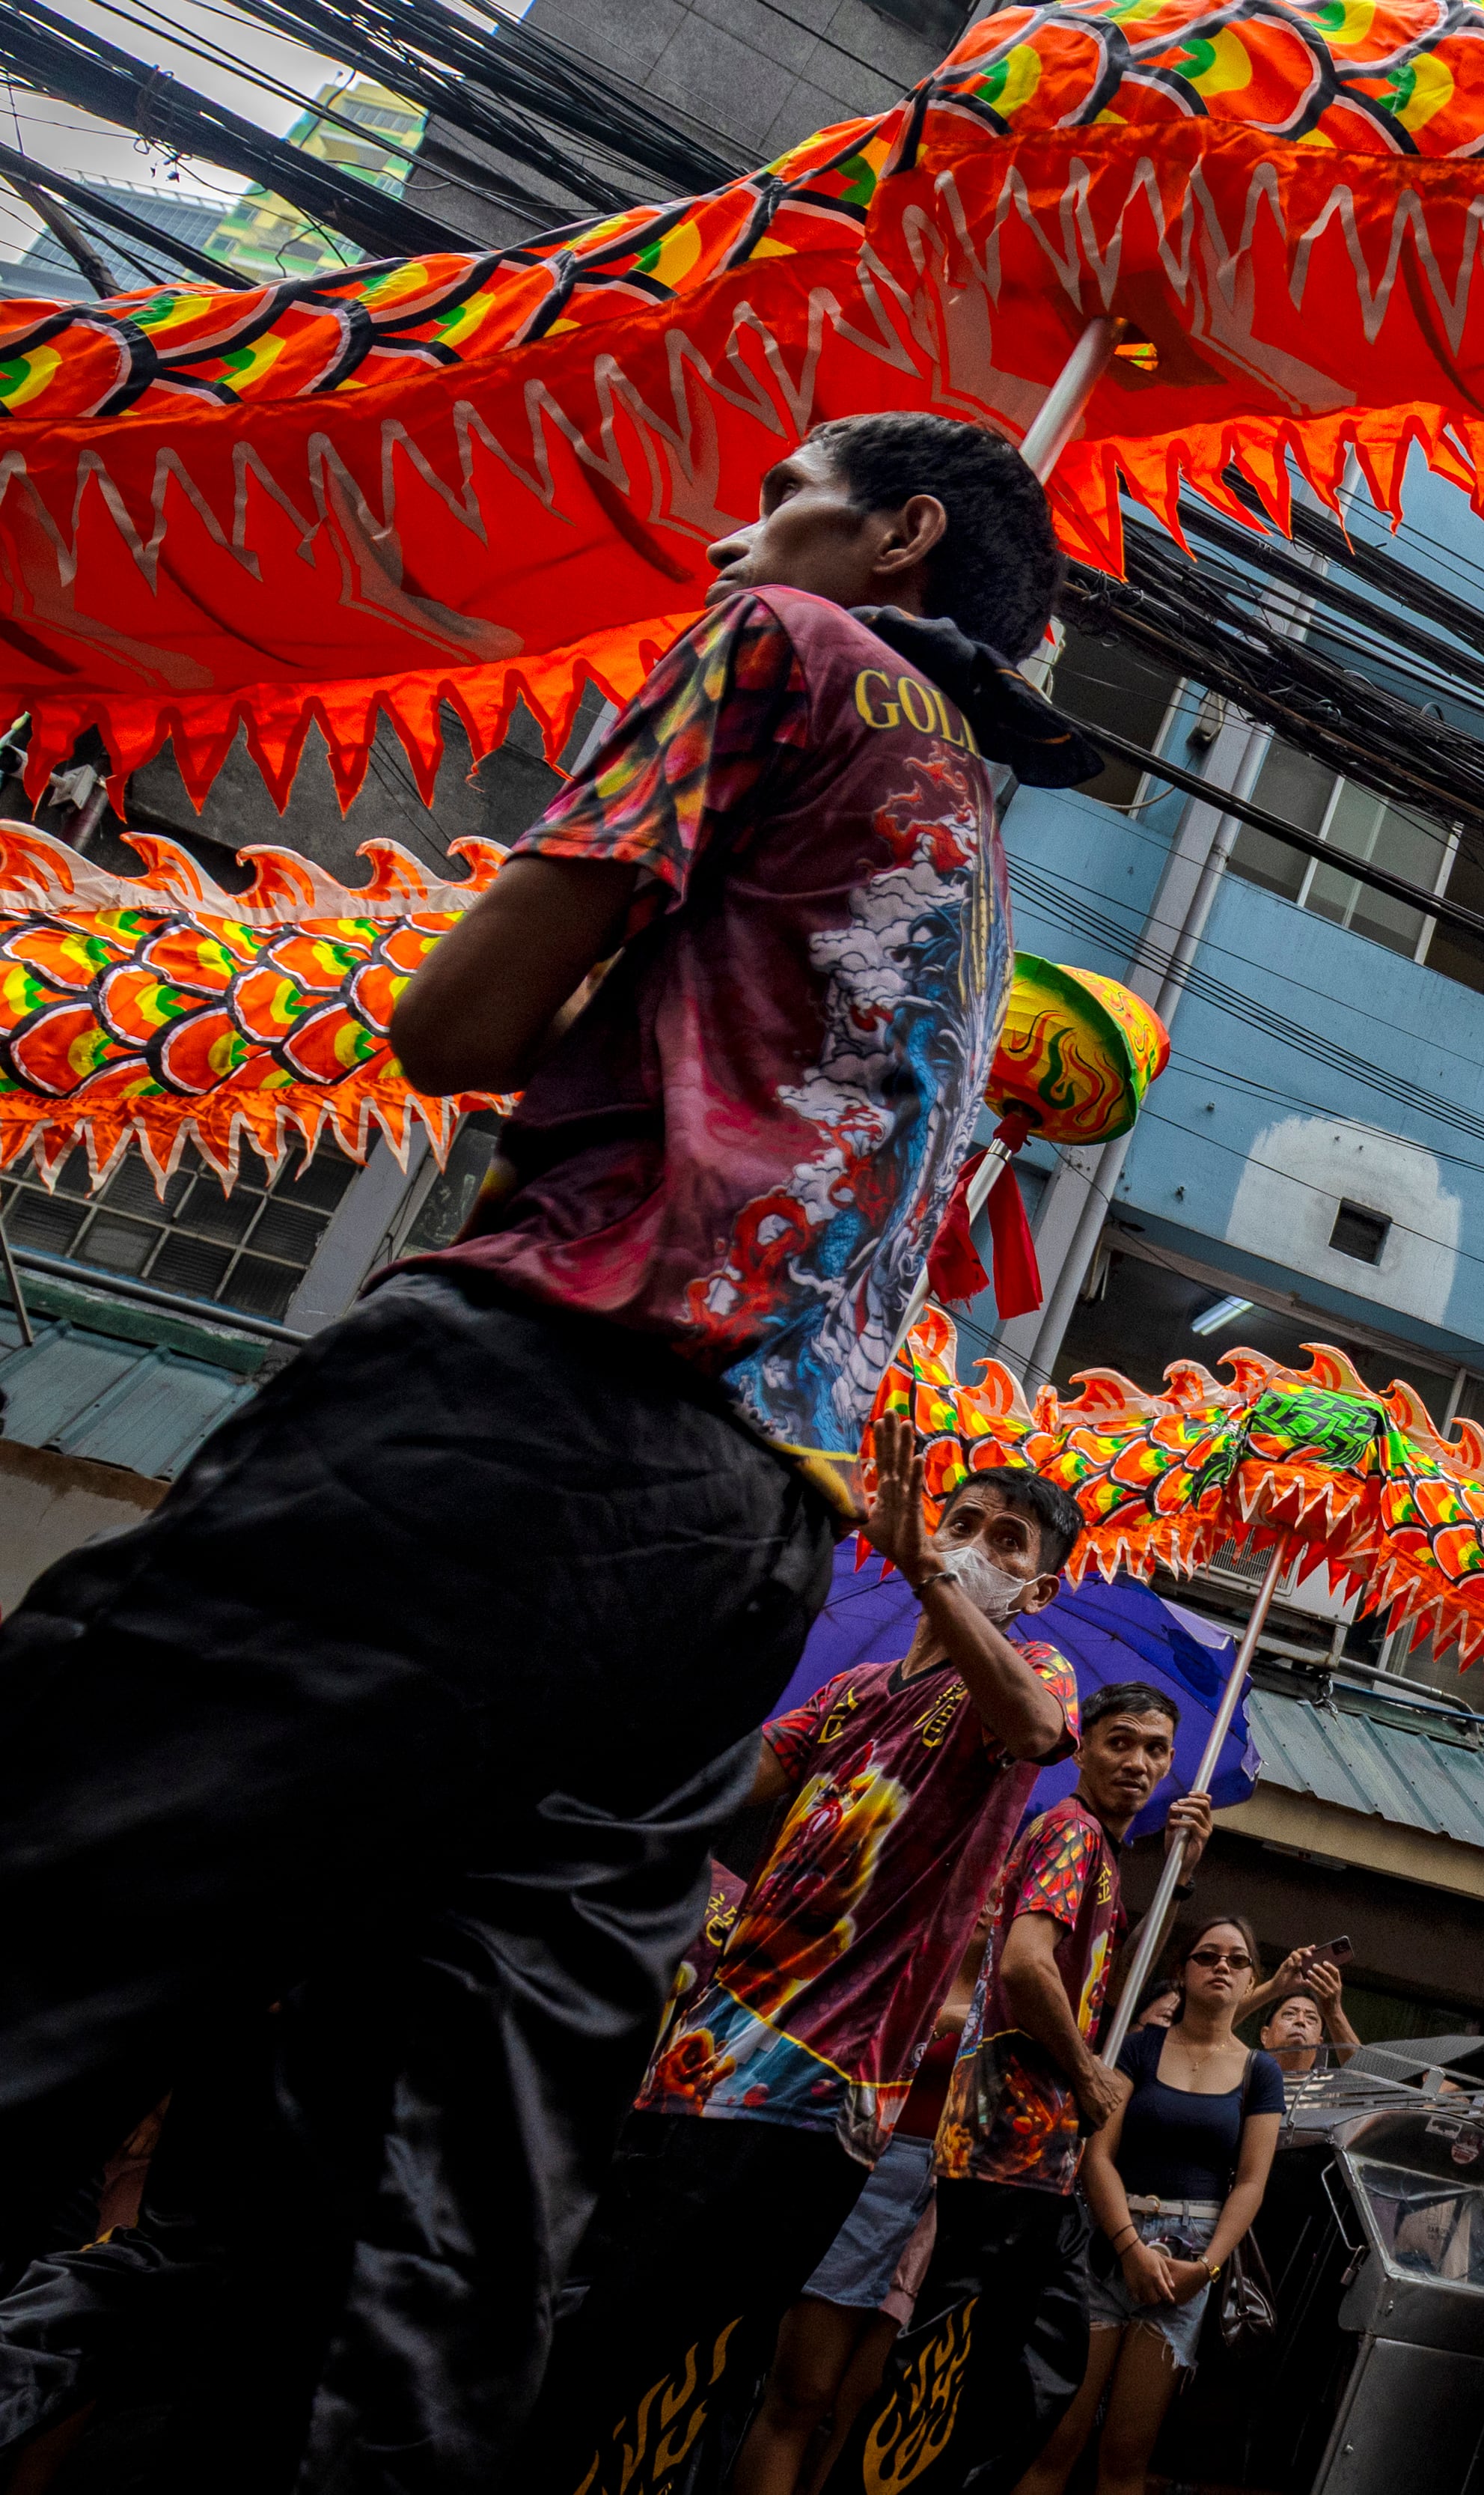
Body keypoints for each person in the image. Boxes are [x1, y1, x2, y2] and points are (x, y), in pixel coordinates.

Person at [0, 408, 1075, 2493]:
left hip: (537, 1402)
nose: (728, 531)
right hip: (751, 1533)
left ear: (898, 535)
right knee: (442, 2181)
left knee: (59, 1865)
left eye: (781, 495)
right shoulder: (980, 844)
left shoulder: (780, 645)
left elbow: (457, 1028)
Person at [527, 1429, 1085, 2485]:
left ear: (1039, 1589)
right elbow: (720, 1783)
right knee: (577, 2323)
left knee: (638, 2356)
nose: (967, 1542)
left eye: (1002, 1542)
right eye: (958, 1520)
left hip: (813, 2087)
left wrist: (929, 1571)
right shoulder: (856, 1690)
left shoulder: (1028, 1671)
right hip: (699, 2058)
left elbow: (1038, 1725)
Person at [896, 1682, 1203, 2493]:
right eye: (1120, 1742)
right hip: (1008, 2144)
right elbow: (1028, 1965)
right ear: (1083, 1747)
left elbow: (1112, 1982)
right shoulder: (1069, 1832)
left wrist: (1180, 1872)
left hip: (1034, 2153)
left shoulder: (1098, 1851)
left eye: (1156, 1750)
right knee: (983, 2376)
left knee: (1018, 2372)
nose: (1138, 1762)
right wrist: (1086, 2071)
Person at [1009, 1914, 1311, 2495]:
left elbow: (1250, 2181)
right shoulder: (1137, 2048)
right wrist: (1127, 2246)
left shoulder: (1260, 2071)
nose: (1222, 1965)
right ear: (1182, 1970)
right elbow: (1097, 2156)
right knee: (1057, 2436)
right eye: (1207, 1955)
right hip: (1108, 2242)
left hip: (1190, 2258)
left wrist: (1207, 2267)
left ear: (1253, 1980)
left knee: (1126, 2455)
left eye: (1237, 1959)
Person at [724, 1928, 992, 2495]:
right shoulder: (914, 1951)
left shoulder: (1011, 1985)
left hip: (944, 2197)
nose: (998, 1888)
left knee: (866, 2406)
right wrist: (939, 2022)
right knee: (802, 2390)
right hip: (869, 2167)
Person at [1257, 1961, 1361, 2076]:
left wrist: (1334, 2012)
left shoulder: (1328, 2089)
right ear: (1265, 2035)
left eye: (1311, 2018)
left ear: (1319, 2044)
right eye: (1289, 2014)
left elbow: (1364, 2083)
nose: (1300, 2021)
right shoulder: (1243, 2081)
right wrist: (1273, 1987)